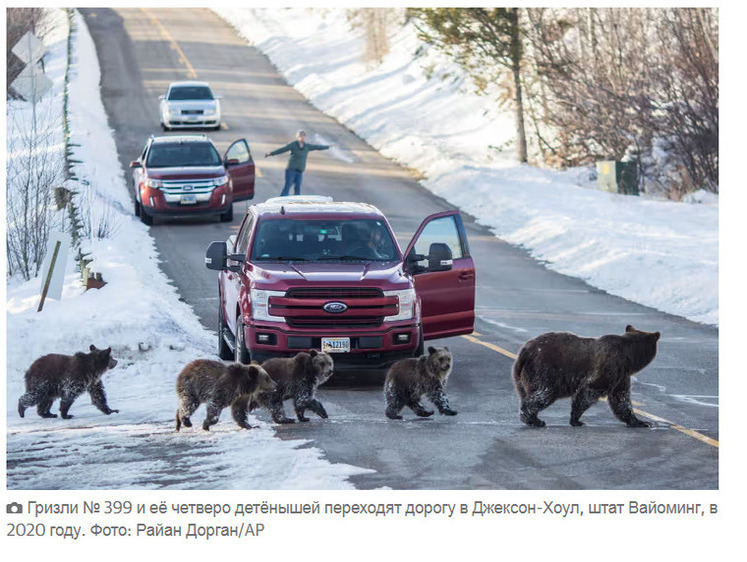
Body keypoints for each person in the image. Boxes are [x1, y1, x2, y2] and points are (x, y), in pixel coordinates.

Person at [265, 130, 329, 196]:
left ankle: (296, 203)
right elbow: (283, 149)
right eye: (300, 136)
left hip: (300, 171)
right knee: (288, 185)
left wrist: (327, 147)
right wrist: (271, 153)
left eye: (303, 136)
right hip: (291, 169)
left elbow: (317, 147)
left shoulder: (306, 146)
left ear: (305, 137)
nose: (302, 137)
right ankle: (281, 199)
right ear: (297, 137)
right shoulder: (294, 144)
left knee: (297, 188)